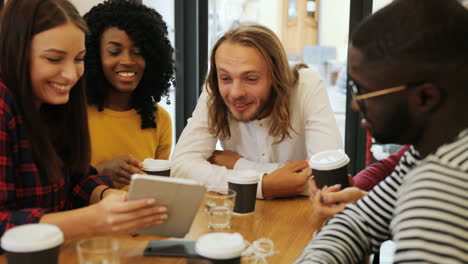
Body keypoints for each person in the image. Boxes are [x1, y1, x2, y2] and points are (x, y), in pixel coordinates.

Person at [295, 0, 468, 263]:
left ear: (424, 98)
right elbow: (358, 223)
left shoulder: (442, 186)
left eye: (364, 91)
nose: (355, 104)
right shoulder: (427, 152)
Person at [0, 0, 167, 240]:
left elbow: (75, 177)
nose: (70, 75)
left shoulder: (56, 103)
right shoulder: (4, 107)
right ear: (16, 51)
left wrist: (106, 195)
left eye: (78, 59)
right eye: (54, 59)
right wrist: (92, 220)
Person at [171, 24, 342, 199]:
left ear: (276, 77)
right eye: (225, 78)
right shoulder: (215, 90)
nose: (236, 92)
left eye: (251, 79)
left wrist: (239, 165)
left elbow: (328, 177)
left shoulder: (307, 86)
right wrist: (264, 185)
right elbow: (181, 167)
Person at [84, 0, 175, 189]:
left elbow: (158, 188)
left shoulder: (160, 119)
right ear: (94, 55)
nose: (127, 61)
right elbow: (57, 187)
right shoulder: (75, 114)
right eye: (114, 52)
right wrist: (101, 171)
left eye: (138, 52)